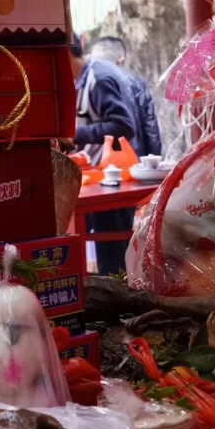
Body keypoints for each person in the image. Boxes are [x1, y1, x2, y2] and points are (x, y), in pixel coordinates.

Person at [75, 47, 144, 275]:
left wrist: (74, 136)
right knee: (112, 252)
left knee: (115, 257)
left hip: (115, 175)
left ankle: (120, 299)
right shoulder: (87, 77)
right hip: (103, 177)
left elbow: (124, 126)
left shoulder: (99, 78)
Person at [90, 36, 163, 157]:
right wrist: (152, 164)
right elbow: (151, 131)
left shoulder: (83, 81)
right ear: (121, 59)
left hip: (92, 164)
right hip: (133, 162)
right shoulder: (137, 83)